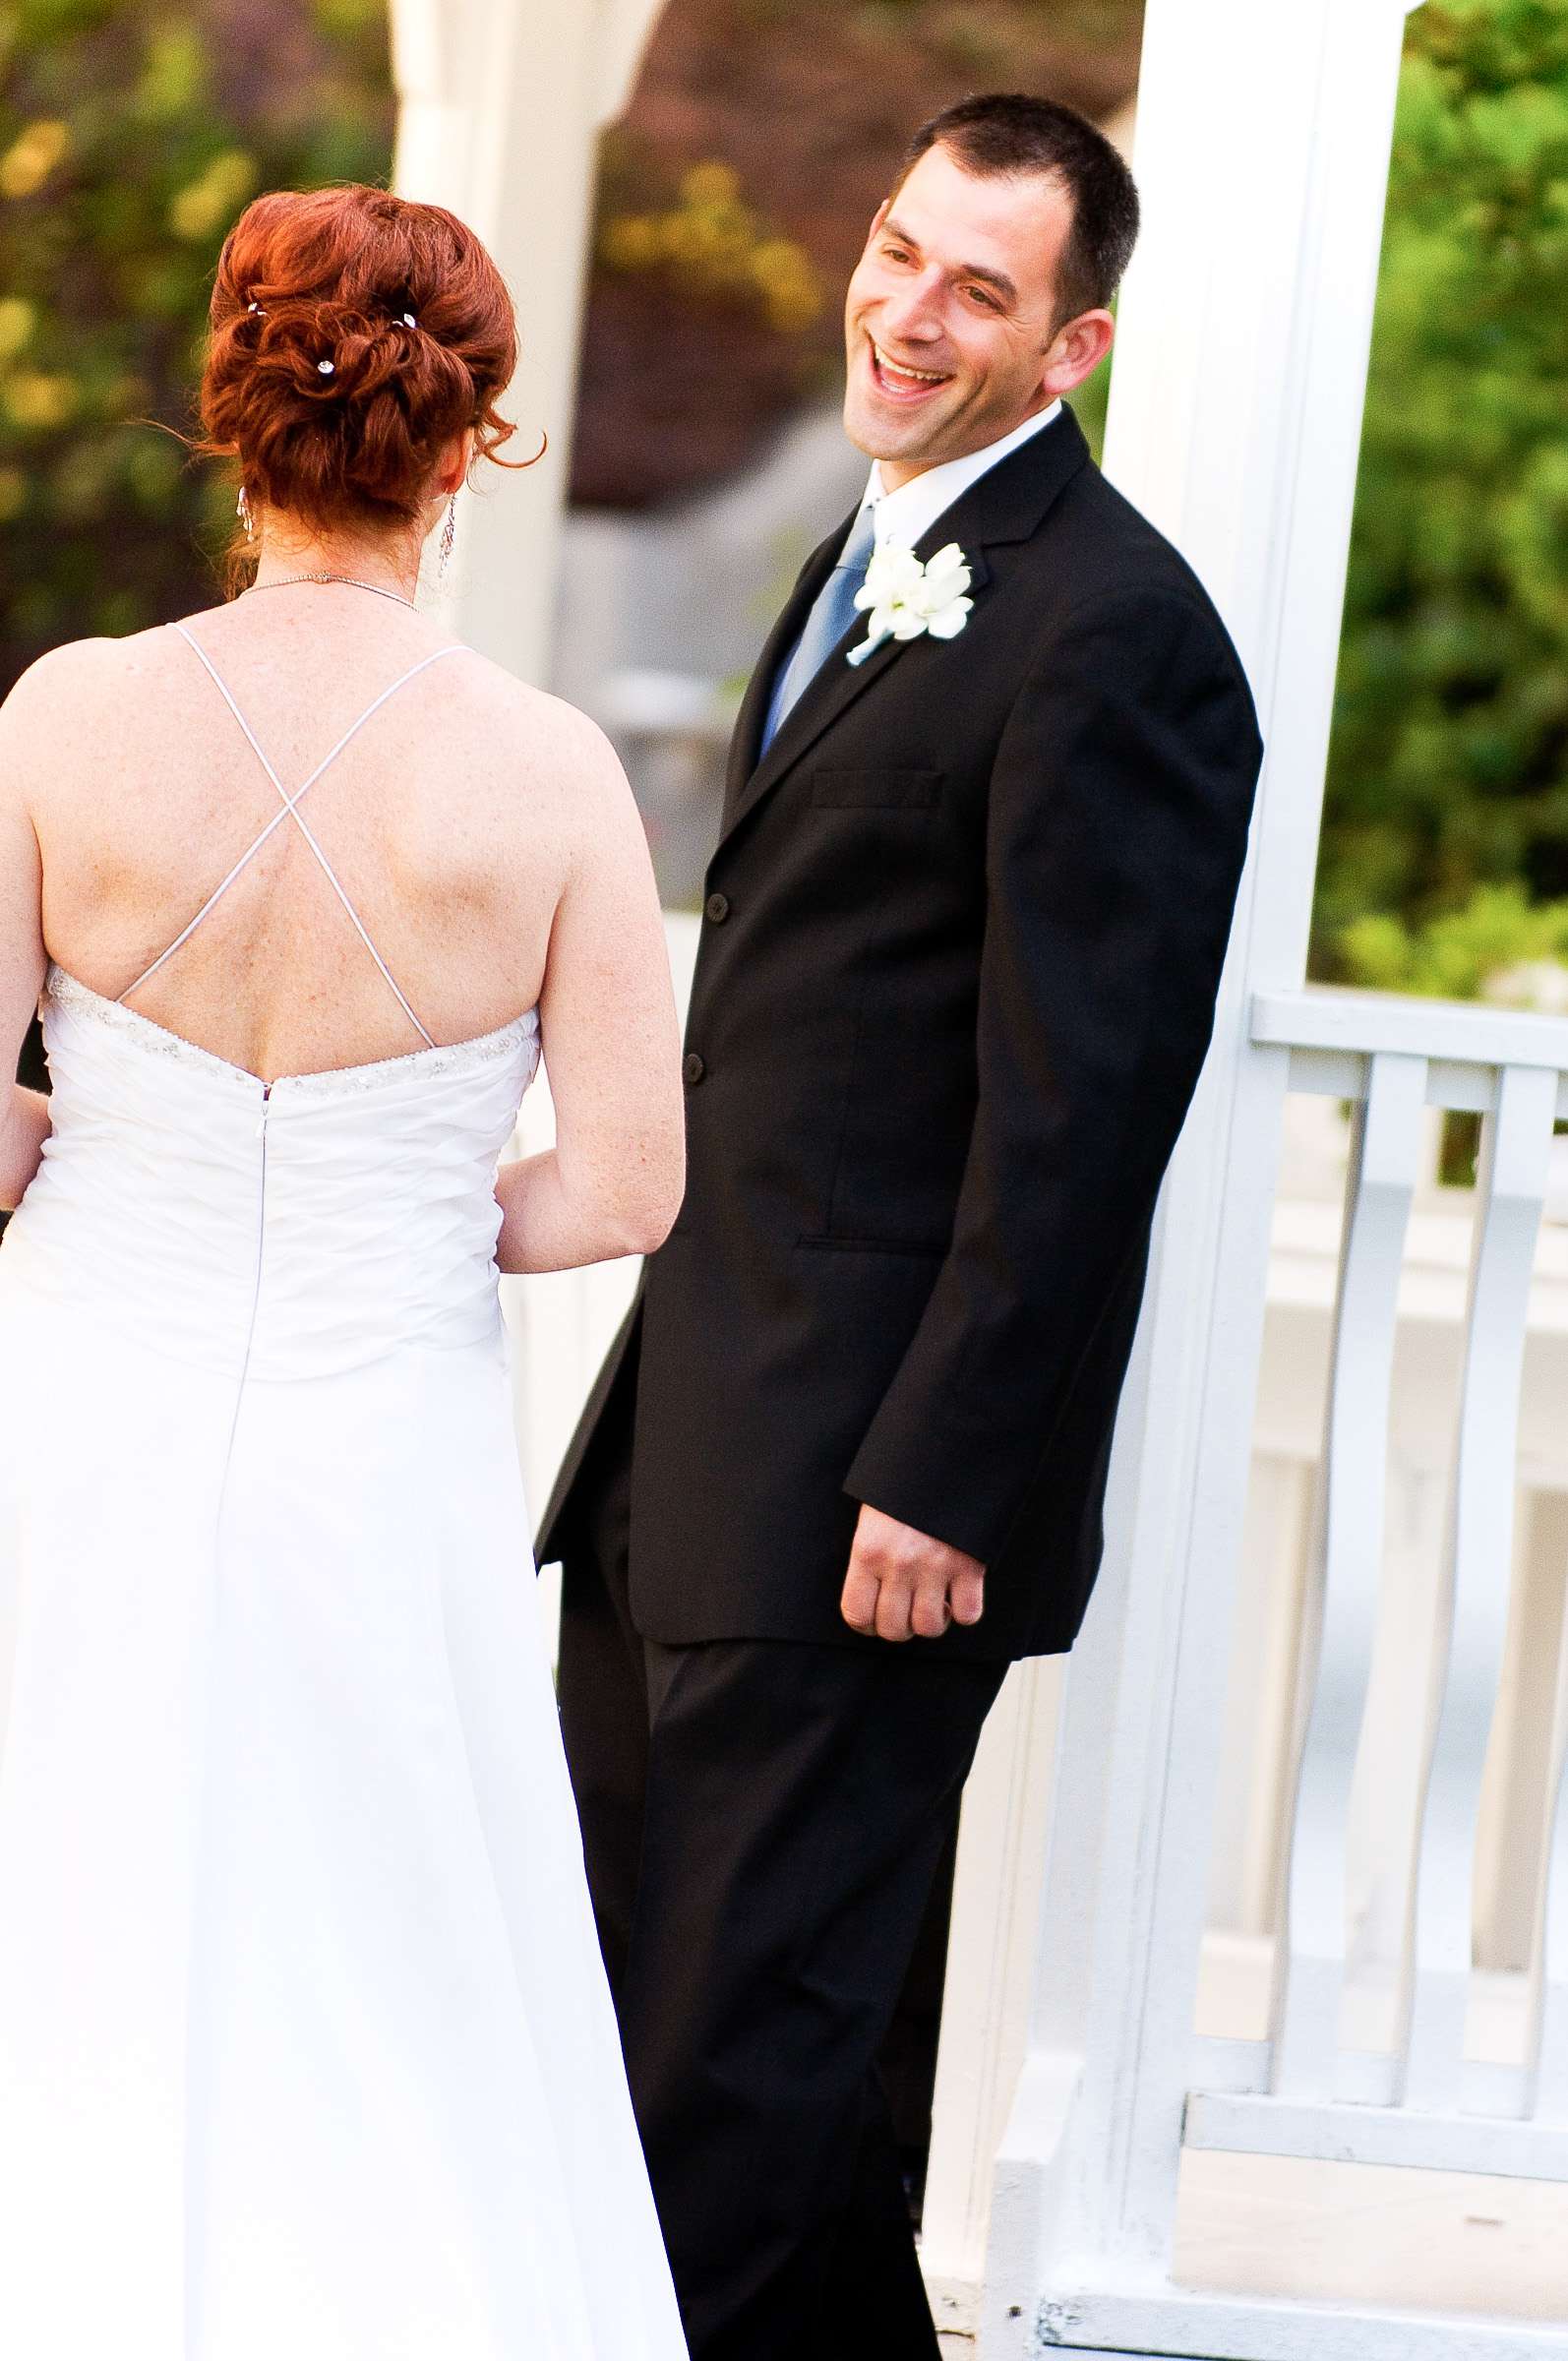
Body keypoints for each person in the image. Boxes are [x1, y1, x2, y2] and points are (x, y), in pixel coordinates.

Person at [538, 92, 1266, 2361]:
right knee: (772, 2088)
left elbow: (1080, 1112)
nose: (906, 311)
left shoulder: (1112, 633)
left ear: (1072, 351)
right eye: (893, 249)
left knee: (720, 2097)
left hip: (862, 1495)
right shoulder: (870, 552)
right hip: (693, 1443)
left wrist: (939, 1471)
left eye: (978, 289)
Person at [0, 184, 689, 2361]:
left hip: (81, 1415)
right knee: (386, 1955)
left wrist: (70, 1141)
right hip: (376, 1448)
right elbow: (629, 1188)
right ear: (465, 442)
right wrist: (418, 1213)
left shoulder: (64, 716)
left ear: (231, 414)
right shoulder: (555, 775)